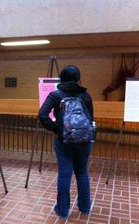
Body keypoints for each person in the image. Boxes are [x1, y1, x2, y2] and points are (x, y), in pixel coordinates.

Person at [38, 65, 94, 219]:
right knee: (82, 172)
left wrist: (57, 129)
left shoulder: (56, 95)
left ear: (61, 78)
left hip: (63, 141)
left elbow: (42, 115)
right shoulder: (86, 95)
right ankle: (85, 207)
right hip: (84, 141)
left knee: (64, 174)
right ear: (77, 78)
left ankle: (62, 210)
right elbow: (90, 119)